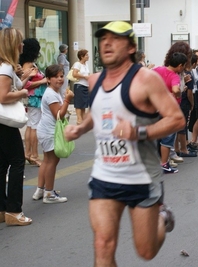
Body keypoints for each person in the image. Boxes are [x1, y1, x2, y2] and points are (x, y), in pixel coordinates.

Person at [64, 21, 185, 264]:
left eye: (115, 38)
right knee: (102, 244)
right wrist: (80, 127)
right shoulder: (94, 80)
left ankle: (161, 217)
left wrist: (138, 132)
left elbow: (176, 119)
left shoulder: (146, 80)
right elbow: (99, 112)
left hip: (142, 178)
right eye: (103, 38)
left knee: (146, 251)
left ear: (130, 47)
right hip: (104, 176)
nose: (106, 43)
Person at [0, 27, 32, 226]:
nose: (22, 45)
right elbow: (3, 96)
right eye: (20, 42)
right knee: (18, 162)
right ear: (13, 45)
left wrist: (21, 77)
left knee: (2, 164)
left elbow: (15, 86)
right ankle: (14, 211)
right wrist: (22, 94)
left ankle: (3, 208)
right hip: (5, 122)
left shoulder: (7, 67)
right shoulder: (6, 68)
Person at [32, 64, 74, 203]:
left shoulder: (54, 92)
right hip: (49, 131)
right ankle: (49, 193)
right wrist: (68, 99)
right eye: (55, 77)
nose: (59, 79)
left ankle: (40, 189)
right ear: (48, 79)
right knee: (52, 161)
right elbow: (58, 115)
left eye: (61, 76)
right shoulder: (51, 94)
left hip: (46, 130)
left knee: (47, 161)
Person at [153, 52, 188, 174]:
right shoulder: (174, 76)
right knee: (167, 139)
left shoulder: (157, 69)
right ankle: (164, 164)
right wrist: (177, 93)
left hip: (155, 107)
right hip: (169, 110)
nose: (183, 68)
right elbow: (175, 89)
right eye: (183, 66)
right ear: (179, 65)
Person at [20, 38, 48, 167]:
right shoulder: (28, 65)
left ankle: (28, 152)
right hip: (34, 99)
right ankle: (34, 155)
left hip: (33, 99)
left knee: (31, 125)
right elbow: (24, 83)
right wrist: (42, 82)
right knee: (34, 126)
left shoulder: (27, 63)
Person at [71, 49, 90, 125]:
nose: (88, 56)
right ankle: (79, 119)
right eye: (86, 55)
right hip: (79, 85)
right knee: (79, 103)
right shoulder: (77, 64)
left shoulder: (86, 65)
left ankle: (82, 118)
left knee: (84, 103)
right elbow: (74, 74)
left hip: (86, 85)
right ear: (82, 57)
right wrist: (84, 77)